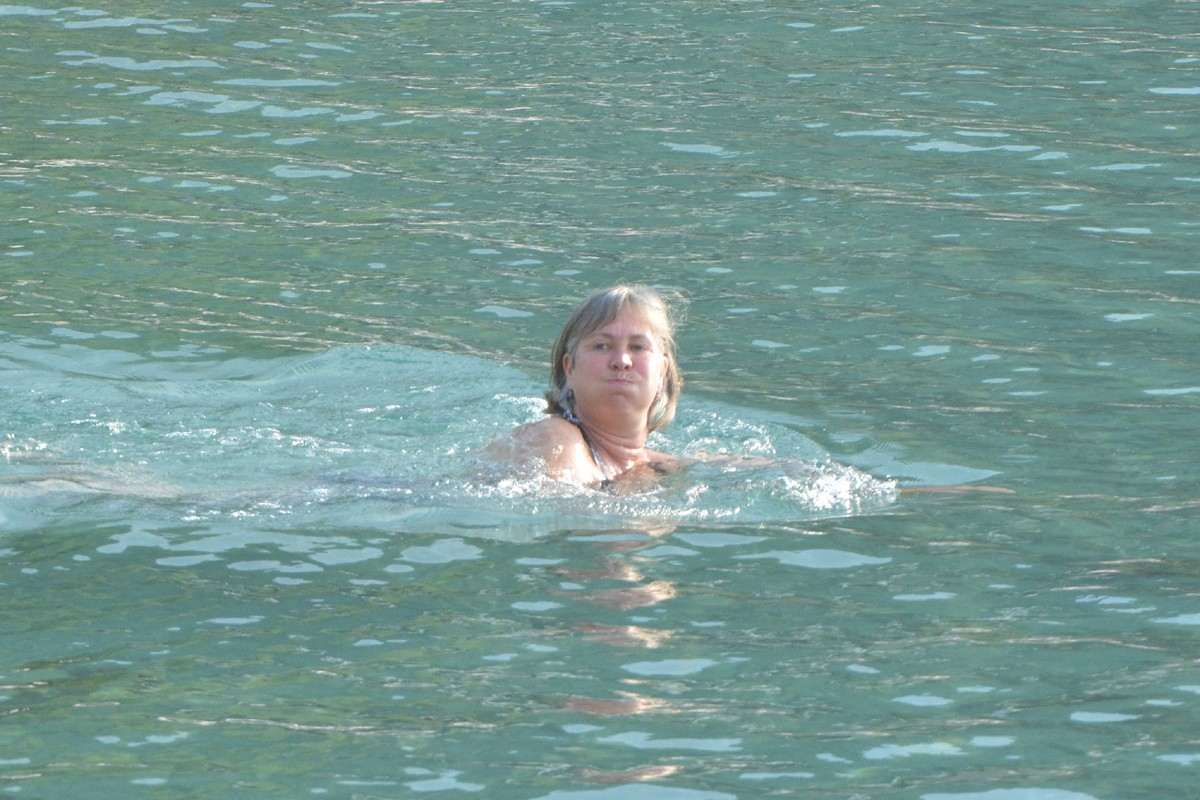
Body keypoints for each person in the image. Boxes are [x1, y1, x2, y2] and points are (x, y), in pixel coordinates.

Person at [493, 285, 684, 491]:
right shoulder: (556, 440)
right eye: (602, 346)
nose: (621, 361)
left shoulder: (663, 465)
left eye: (637, 347)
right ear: (569, 368)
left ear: (663, 371)